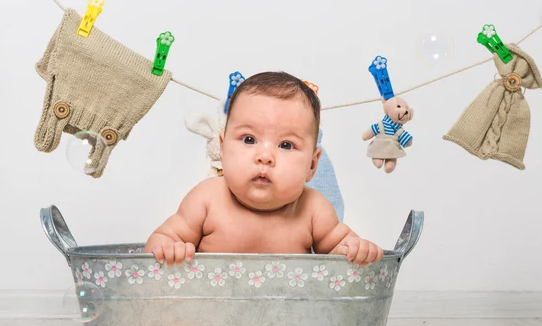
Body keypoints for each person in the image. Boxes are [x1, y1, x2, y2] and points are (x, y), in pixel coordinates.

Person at [145, 71, 383, 267]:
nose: (265, 156)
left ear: (312, 164)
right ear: (222, 148)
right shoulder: (206, 199)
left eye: (286, 145)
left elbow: (339, 256)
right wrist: (168, 249)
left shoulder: (313, 209)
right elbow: (156, 245)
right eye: (249, 139)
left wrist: (354, 250)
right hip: (209, 317)